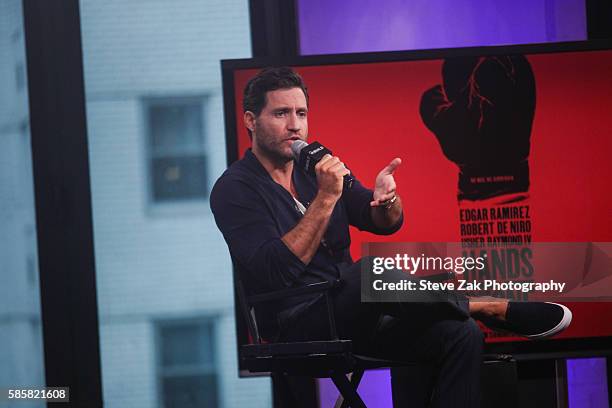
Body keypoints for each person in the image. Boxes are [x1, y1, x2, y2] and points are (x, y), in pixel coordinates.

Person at [210, 67, 572, 407]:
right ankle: (487, 305)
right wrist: (327, 196)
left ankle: (470, 312)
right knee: (367, 274)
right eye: (281, 114)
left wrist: (388, 201)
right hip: (298, 325)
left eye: (301, 114)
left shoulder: (316, 168)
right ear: (250, 121)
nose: (295, 126)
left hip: (355, 315)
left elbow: (383, 221)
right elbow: (276, 271)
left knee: (461, 334)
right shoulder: (234, 190)